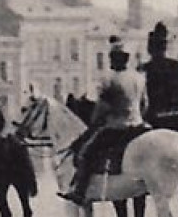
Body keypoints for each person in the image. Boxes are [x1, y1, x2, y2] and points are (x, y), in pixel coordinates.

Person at [63, 38, 149, 205]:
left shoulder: (108, 80)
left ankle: (79, 191)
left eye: (112, 57)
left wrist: (95, 121)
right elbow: (145, 104)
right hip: (139, 125)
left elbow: (101, 108)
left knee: (86, 153)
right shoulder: (139, 78)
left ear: (115, 58)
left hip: (116, 126)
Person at [141, 21, 178, 118]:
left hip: (153, 117)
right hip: (174, 116)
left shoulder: (143, 69)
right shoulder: (177, 67)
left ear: (149, 49)